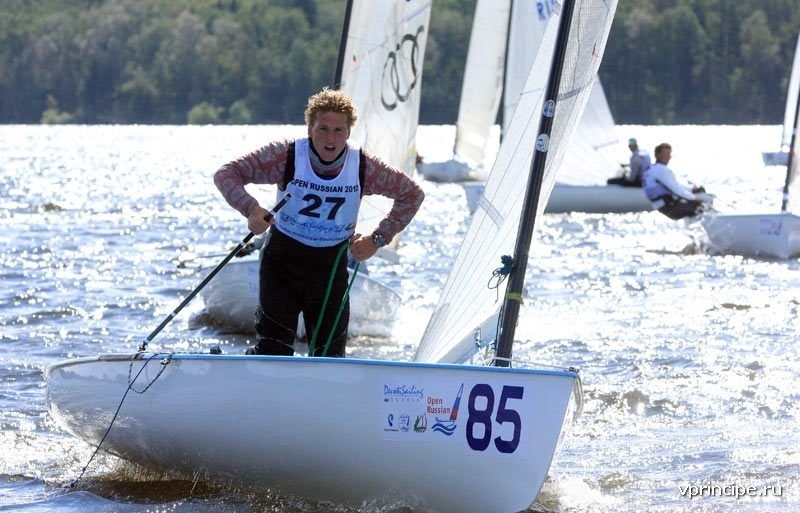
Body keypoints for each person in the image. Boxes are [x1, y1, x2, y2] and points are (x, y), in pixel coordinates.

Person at [214, 87, 424, 357]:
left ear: (348, 132)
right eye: (323, 129)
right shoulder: (285, 156)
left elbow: (412, 195)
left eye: (338, 130)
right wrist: (251, 209)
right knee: (275, 351)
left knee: (329, 357)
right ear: (310, 129)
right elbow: (227, 174)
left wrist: (377, 239)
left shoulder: (365, 167)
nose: (330, 138)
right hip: (282, 264)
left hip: (330, 269)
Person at [642, 142, 708, 220]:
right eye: (665, 154)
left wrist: (691, 189)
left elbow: (675, 185)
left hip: (662, 206)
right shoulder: (660, 169)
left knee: (693, 200)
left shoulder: (652, 169)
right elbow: (677, 189)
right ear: (657, 155)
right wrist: (694, 199)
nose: (668, 157)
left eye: (669, 154)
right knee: (703, 207)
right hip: (669, 207)